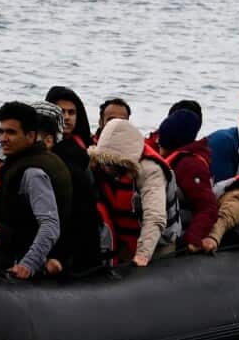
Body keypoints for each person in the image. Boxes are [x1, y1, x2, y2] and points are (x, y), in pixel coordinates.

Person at [0, 101, 72, 280]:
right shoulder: (24, 161)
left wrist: (28, 265)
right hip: (11, 254)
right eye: (2, 132)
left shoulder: (33, 173)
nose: (3, 138)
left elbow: (50, 226)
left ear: (30, 136)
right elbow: (13, 224)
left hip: (30, 265)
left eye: (11, 132)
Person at [88, 118, 179, 267]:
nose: (107, 168)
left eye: (112, 164)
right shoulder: (101, 164)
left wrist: (143, 255)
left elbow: (155, 217)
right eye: (105, 163)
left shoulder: (151, 170)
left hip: (158, 244)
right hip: (125, 239)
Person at [32, 101, 102, 276]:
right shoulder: (70, 155)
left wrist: (58, 256)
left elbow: (73, 217)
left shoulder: (63, 166)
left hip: (67, 260)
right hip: (73, 253)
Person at [155, 109, 219, 252]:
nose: (159, 145)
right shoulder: (177, 159)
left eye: (161, 143)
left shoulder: (190, 165)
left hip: (182, 231)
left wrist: (192, 239)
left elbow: (208, 207)